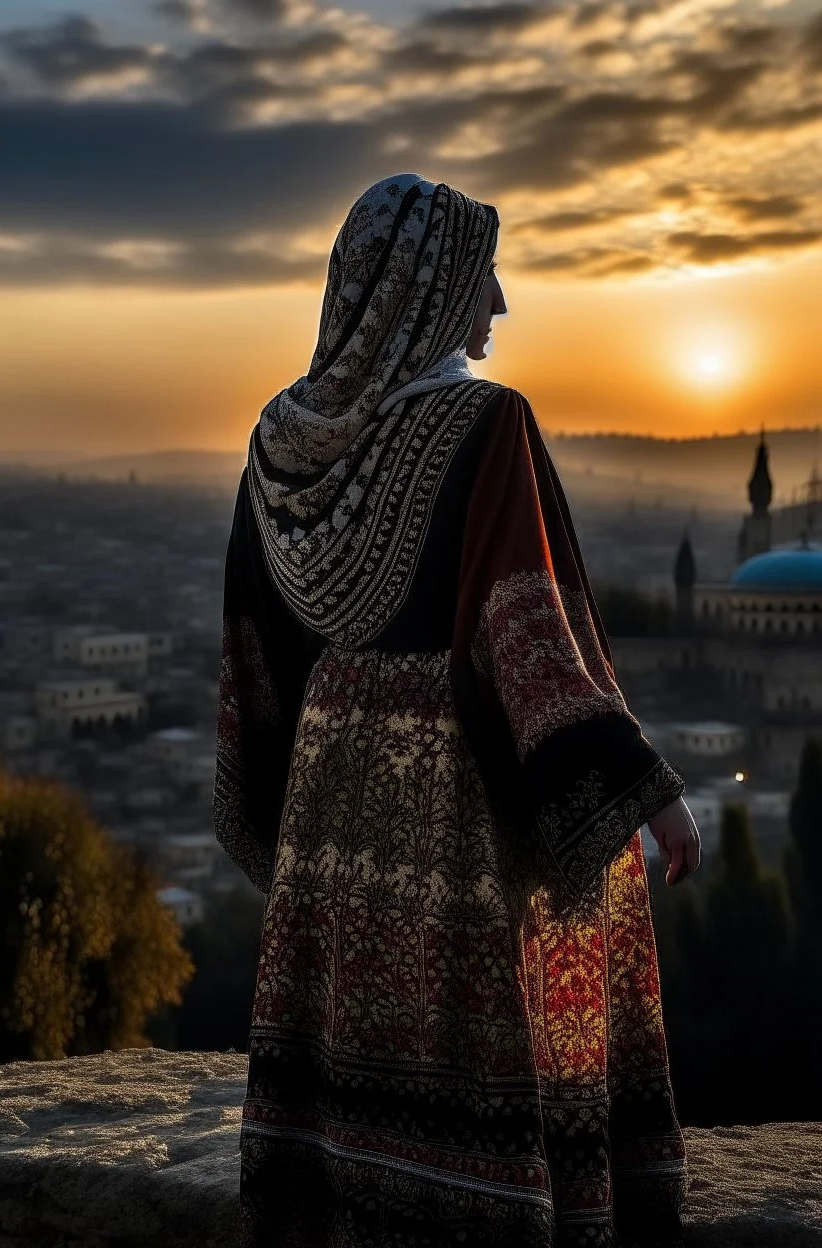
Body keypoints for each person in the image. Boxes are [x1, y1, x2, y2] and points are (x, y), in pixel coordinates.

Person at [213, 172, 701, 1248]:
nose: (501, 304)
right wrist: (642, 790)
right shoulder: (488, 427)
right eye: (484, 274)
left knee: (353, 1028)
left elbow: (258, 648)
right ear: (430, 290)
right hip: (444, 795)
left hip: (331, 801)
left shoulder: (279, 444)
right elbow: (528, 633)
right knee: (464, 1028)